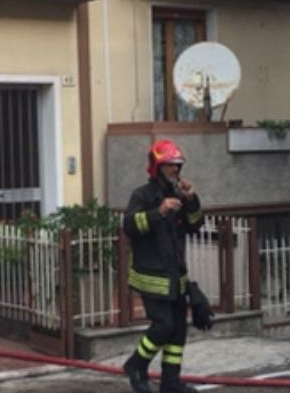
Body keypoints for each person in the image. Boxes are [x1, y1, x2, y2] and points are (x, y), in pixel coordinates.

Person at [121, 139, 207, 393]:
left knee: (178, 330)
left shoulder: (178, 194)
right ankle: (136, 364)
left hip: (176, 276)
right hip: (151, 276)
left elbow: (194, 225)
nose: (175, 171)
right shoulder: (142, 195)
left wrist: (191, 200)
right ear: (157, 167)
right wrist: (158, 211)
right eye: (170, 166)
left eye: (178, 166)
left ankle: (170, 381)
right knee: (164, 326)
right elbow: (130, 226)